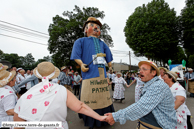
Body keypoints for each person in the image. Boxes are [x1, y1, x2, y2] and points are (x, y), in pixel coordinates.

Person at [13, 62, 107, 129]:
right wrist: (100, 117)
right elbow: (80, 106)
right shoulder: (61, 90)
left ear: (37, 75)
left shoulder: (26, 95)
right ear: (53, 75)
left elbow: (18, 123)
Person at [105, 60, 177, 129]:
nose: (140, 72)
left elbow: (142, 106)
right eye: (140, 69)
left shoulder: (158, 86)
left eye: (144, 69)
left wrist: (115, 116)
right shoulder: (150, 84)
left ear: (153, 73)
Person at [70, 17, 114, 129]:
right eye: (92, 25)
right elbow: (76, 54)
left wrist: (110, 65)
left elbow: (108, 54)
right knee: (90, 97)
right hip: (89, 73)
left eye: (98, 27)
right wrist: (81, 64)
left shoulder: (102, 43)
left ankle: (106, 117)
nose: (96, 27)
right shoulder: (80, 41)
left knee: (103, 97)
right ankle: (91, 119)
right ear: (85, 30)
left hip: (102, 73)